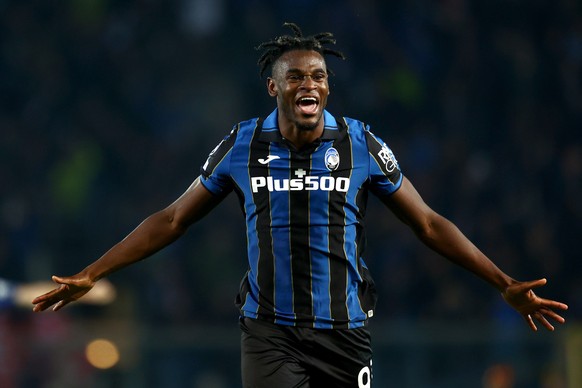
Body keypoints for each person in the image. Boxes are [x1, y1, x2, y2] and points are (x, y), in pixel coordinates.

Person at [32, 23, 568, 387]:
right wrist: (93, 272)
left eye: (318, 76)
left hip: (345, 330)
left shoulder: (360, 143)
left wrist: (502, 283)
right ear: (274, 87)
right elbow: (172, 219)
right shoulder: (243, 144)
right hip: (269, 332)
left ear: (328, 89)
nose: (308, 83)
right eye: (296, 76)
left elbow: (427, 223)